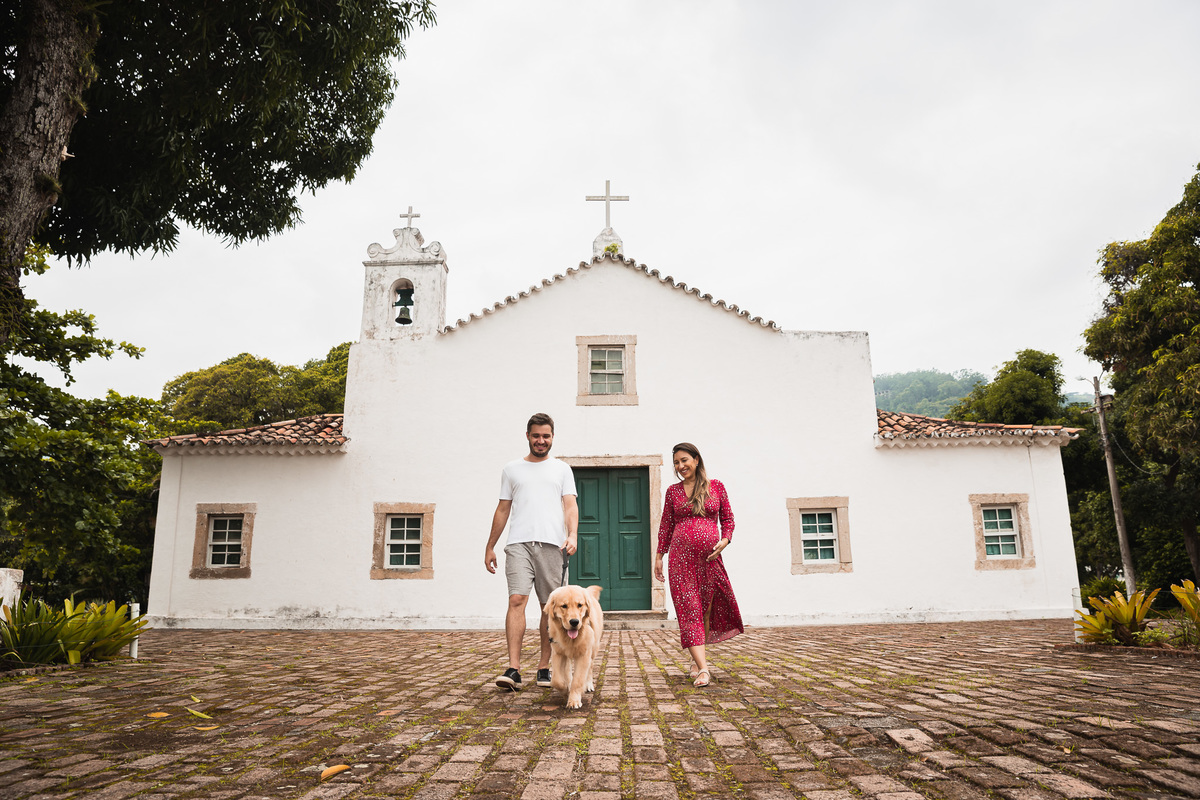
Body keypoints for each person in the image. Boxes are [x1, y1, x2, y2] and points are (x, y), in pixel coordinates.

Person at [485, 412, 579, 691]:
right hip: (518, 544)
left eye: (546, 436)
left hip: (553, 545)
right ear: (527, 436)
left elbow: (570, 505)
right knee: (516, 600)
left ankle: (544, 667)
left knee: (550, 608)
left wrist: (572, 534)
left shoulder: (562, 469)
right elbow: (503, 509)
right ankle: (513, 669)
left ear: (552, 438)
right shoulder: (511, 469)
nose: (541, 441)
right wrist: (490, 545)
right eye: (536, 436)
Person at [653, 442, 743, 687]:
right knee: (689, 609)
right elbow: (666, 525)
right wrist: (660, 556)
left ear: (696, 460)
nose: (680, 466)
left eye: (684, 460)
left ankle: (695, 660)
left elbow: (728, 518)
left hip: (709, 561)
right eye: (676, 463)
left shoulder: (716, 487)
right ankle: (704, 669)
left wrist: (725, 540)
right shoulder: (673, 492)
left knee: (704, 609)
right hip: (681, 560)